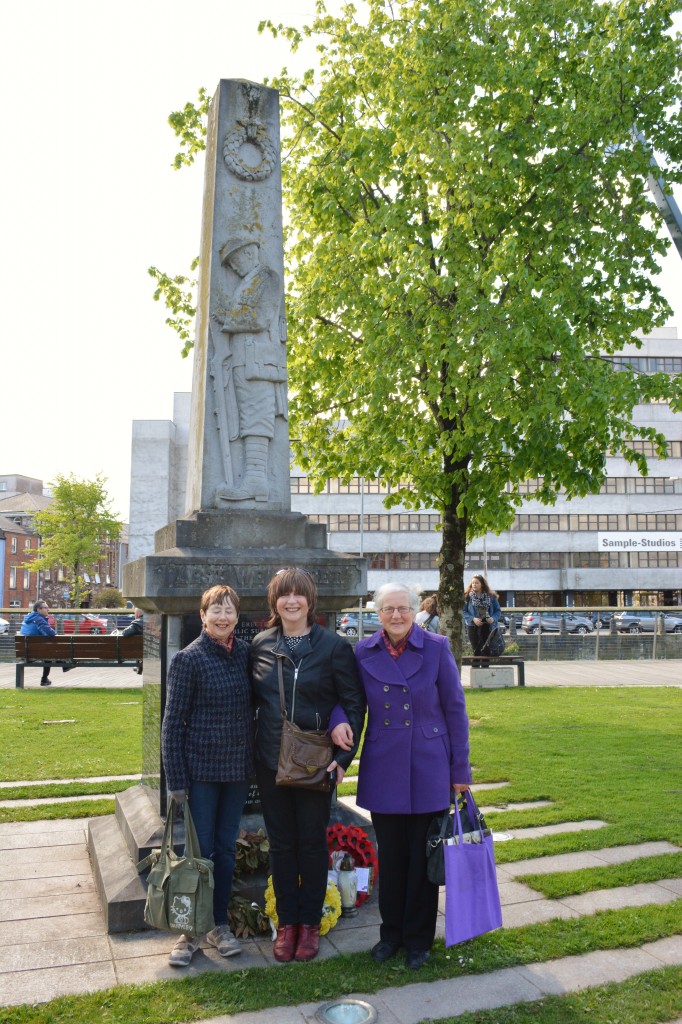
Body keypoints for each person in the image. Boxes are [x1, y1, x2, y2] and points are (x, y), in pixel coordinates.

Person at [342, 582, 471, 970]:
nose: (396, 616)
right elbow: (350, 704)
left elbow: (455, 710)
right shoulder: (363, 651)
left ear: (415, 610)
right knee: (393, 859)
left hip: (430, 766)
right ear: (376, 613)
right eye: (387, 609)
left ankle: (418, 940)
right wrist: (337, 726)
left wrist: (460, 770)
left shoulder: (436, 647)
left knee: (423, 860)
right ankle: (390, 935)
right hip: (384, 766)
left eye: (402, 608)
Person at [249, 568, 366, 963]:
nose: (292, 601)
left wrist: (344, 757)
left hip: (317, 763)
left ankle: (311, 924)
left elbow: (353, 702)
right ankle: (288, 924)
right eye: (284, 596)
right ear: (275, 602)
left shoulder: (333, 647)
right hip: (270, 762)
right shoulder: (261, 644)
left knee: (313, 844)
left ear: (310, 601)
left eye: (299, 595)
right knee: (282, 845)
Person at [161, 584, 254, 968]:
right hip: (200, 772)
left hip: (236, 771)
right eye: (215, 609)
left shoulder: (246, 654)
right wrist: (176, 781)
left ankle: (218, 924)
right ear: (202, 615)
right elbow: (171, 724)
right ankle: (189, 931)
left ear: (236, 616)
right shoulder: (189, 659)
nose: (222, 616)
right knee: (198, 855)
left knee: (226, 848)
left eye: (229, 610)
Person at [212, 237, 287, 502]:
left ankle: (257, 481)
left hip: (259, 361)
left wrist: (226, 318)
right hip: (242, 360)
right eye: (230, 264)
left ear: (250, 252)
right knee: (245, 417)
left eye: (235, 260)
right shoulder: (248, 282)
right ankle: (253, 480)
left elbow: (261, 317)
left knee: (257, 416)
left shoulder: (268, 278)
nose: (233, 268)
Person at [19, 600, 56, 686]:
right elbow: (51, 634)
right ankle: (64, 665)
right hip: (35, 651)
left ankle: (45, 679)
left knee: (49, 653)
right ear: (39, 610)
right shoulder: (38, 619)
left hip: (25, 651)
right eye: (46, 608)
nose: (48, 610)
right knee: (51, 653)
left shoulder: (28, 618)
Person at [463, 574, 501, 658]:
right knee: (476, 650)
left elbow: (498, 611)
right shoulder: (467, 597)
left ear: (482, 584)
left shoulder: (491, 596)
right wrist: (473, 619)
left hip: (488, 626)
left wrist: (493, 618)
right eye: (473, 583)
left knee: (486, 651)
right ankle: (476, 670)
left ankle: (485, 670)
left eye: (477, 583)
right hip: (472, 626)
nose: (474, 585)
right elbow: (463, 611)